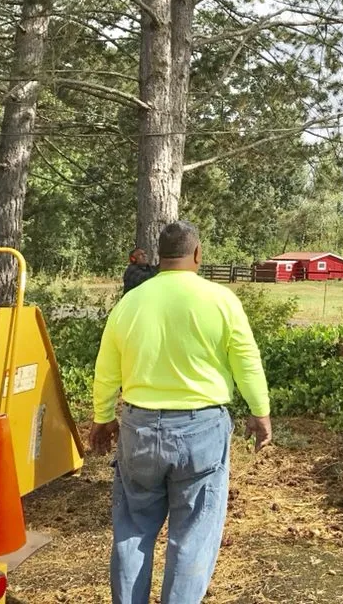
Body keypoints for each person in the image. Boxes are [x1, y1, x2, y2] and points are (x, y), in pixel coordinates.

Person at [91, 220, 272, 604]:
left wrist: (103, 418)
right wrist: (260, 411)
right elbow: (247, 361)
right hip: (201, 430)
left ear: (160, 256)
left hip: (139, 428)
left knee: (133, 531)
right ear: (197, 254)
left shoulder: (131, 303)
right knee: (192, 536)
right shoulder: (221, 300)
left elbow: (107, 368)